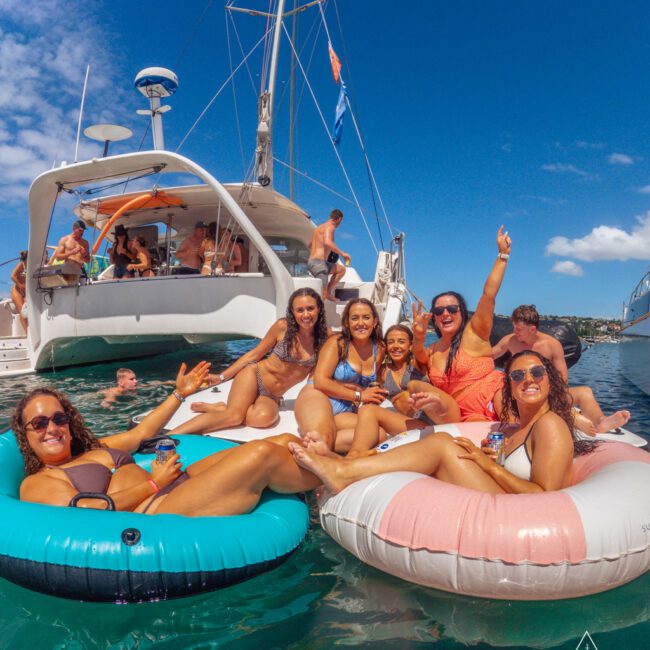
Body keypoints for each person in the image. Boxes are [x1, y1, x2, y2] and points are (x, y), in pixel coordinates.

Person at [15, 361, 322, 516]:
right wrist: (154, 484)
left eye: (58, 418)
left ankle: (337, 468)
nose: (52, 428)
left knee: (281, 440)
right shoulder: (38, 481)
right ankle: (346, 472)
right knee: (260, 456)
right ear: (26, 435)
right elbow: (86, 511)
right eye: (39, 423)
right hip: (158, 507)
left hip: (173, 484)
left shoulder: (96, 448)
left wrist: (180, 394)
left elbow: (142, 433)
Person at [289, 350, 598, 496]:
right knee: (442, 445)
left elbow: (545, 496)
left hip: (521, 512)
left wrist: (488, 467)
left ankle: (343, 472)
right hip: (505, 494)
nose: (527, 379)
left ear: (550, 381)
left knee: (438, 444)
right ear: (510, 387)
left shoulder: (551, 425)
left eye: (536, 373)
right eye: (517, 375)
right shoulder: (519, 429)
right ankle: (348, 462)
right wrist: (488, 460)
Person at [167, 288, 329, 435]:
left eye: (310, 308)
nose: (306, 315)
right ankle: (170, 436)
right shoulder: (282, 327)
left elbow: (315, 378)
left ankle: (222, 407)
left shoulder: (325, 338)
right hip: (254, 376)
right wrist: (222, 377)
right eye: (300, 310)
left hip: (273, 395)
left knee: (264, 419)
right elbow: (254, 354)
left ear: (319, 309)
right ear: (293, 312)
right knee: (233, 417)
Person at [412, 226, 512, 422]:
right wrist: (419, 334)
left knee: (509, 422)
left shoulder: (474, 334)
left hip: (493, 396)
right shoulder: (432, 350)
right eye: (439, 311)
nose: (445, 314)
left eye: (452, 309)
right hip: (463, 415)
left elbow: (488, 295)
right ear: (434, 317)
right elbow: (418, 355)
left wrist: (502, 256)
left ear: (462, 312)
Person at [492, 304, 630, 434]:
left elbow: (562, 377)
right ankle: (521, 424)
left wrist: (552, 396)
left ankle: (600, 422)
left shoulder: (552, 345)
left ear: (532, 329)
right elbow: (490, 354)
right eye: (514, 327)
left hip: (546, 393)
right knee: (499, 394)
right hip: (521, 393)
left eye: (518, 329)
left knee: (585, 392)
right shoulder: (510, 340)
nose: (515, 332)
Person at [339, 324, 460, 457]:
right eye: (391, 342)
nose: (396, 346)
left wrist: (419, 336)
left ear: (410, 346)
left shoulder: (417, 364)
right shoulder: (383, 371)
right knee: (367, 409)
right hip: (414, 424)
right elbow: (365, 381)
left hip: (434, 420)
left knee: (413, 385)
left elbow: (419, 350)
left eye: (401, 341)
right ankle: (355, 455)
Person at [294, 298, 386, 451]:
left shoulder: (380, 348)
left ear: (375, 321)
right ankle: (318, 443)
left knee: (378, 435)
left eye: (366, 317)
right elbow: (320, 381)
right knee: (323, 439)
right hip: (318, 395)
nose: (360, 323)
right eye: (354, 318)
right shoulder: (337, 343)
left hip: (346, 407)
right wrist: (359, 396)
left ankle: (309, 446)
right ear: (347, 323)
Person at [307, 209, 350, 302]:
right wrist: (342, 254)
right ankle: (320, 312)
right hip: (319, 263)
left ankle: (328, 292)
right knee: (322, 296)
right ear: (339, 219)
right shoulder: (330, 227)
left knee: (341, 270)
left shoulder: (318, 228)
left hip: (318, 262)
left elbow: (309, 245)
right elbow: (328, 242)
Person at [99, 368, 175, 409]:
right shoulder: (113, 392)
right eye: (131, 379)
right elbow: (106, 402)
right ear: (121, 383)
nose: (136, 381)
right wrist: (110, 407)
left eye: (135, 378)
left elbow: (151, 384)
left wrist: (168, 382)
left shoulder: (135, 386)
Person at [10, 251, 28, 333]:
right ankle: (27, 332)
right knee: (22, 311)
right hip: (17, 290)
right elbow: (12, 276)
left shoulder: (31, 265)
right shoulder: (21, 264)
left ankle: (29, 331)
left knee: (27, 311)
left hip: (25, 291)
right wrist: (20, 285)